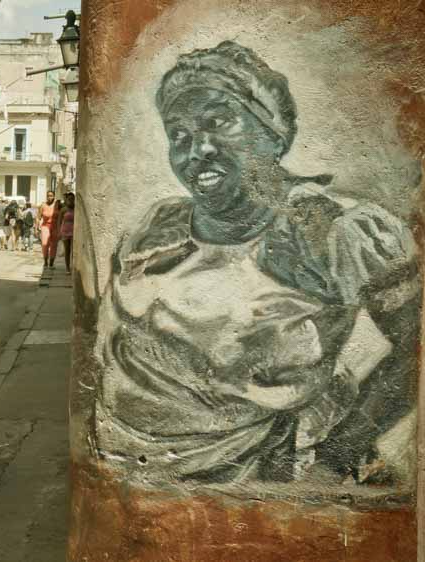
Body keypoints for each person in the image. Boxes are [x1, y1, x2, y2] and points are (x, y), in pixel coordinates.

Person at [96, 41, 420, 484]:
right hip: (122, 471)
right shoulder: (159, 224)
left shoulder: (329, 230)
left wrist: (339, 448)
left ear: (274, 133)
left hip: (244, 480)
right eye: (180, 135)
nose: (198, 149)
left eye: (219, 122)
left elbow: (415, 348)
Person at [38, 191, 58, 268]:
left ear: (54, 196)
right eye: (48, 196)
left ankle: (51, 263)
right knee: (45, 244)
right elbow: (38, 217)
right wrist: (36, 227)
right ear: (46, 196)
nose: (50, 197)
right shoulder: (43, 205)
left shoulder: (58, 205)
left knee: (54, 245)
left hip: (55, 226)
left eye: (51, 196)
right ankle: (45, 261)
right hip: (45, 226)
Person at [59, 193, 76, 273]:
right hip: (65, 231)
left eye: (72, 199)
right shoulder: (63, 209)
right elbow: (59, 222)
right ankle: (67, 268)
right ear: (67, 199)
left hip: (75, 231)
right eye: (69, 199)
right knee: (67, 250)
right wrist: (59, 232)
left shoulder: (76, 208)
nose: (71, 200)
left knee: (74, 250)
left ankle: (73, 267)